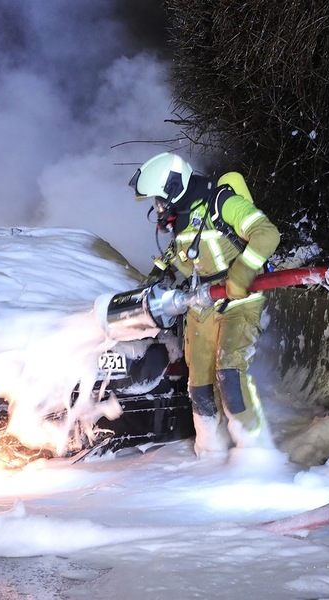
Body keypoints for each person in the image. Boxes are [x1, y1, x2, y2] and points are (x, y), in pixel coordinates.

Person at [128, 152, 281, 457]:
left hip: (240, 299)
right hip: (202, 304)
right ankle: (209, 452)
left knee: (229, 372)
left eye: (159, 200)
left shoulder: (221, 203)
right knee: (198, 382)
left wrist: (242, 272)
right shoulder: (182, 220)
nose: (157, 208)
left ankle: (255, 453)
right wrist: (152, 282)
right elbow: (179, 260)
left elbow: (266, 233)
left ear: (173, 188)